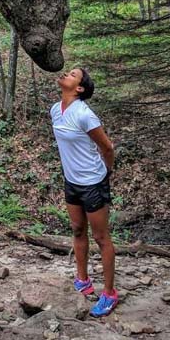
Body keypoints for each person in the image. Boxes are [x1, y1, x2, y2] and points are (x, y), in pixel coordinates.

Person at [50, 67, 118, 317]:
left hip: (92, 182)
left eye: (72, 74)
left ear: (79, 88)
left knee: (101, 237)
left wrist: (106, 173)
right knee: (78, 229)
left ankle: (109, 293)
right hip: (71, 181)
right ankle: (83, 280)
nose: (66, 74)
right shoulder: (56, 110)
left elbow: (107, 147)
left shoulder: (84, 115)